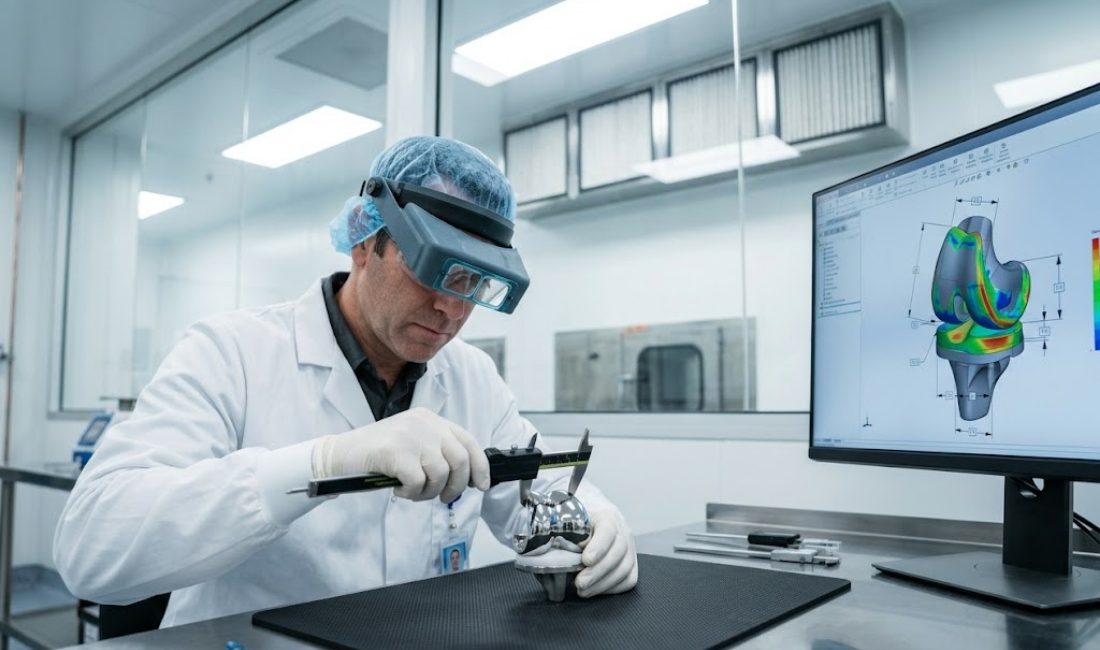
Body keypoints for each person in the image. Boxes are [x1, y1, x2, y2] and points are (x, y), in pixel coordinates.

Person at [53, 136, 638, 628]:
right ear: (366, 241)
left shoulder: (473, 379)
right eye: (432, 268)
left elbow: (536, 492)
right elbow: (92, 549)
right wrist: (317, 463)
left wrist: (595, 519)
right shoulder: (231, 352)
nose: (449, 309)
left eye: (474, 284)